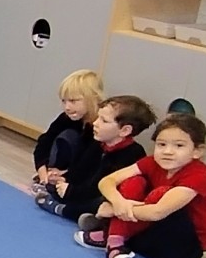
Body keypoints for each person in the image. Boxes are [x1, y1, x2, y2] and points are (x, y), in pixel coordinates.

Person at [77, 113, 206, 258]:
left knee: (161, 193)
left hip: (182, 246)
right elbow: (107, 181)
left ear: (197, 151)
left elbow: (157, 212)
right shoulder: (153, 162)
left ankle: (110, 233)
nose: (168, 151)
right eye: (162, 144)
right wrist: (118, 202)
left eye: (179, 146)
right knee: (134, 182)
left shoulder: (198, 176)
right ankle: (115, 238)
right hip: (151, 229)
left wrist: (113, 210)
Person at [47, 94, 153, 222]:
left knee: (101, 204)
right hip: (83, 192)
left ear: (125, 131)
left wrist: (71, 191)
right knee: (55, 187)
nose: (95, 123)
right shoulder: (98, 142)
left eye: (104, 121)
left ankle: (62, 210)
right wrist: (64, 178)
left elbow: (100, 187)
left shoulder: (132, 154)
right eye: (98, 118)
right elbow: (81, 169)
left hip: (102, 196)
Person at [30, 69, 103, 212]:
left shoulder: (100, 128)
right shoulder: (65, 118)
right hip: (61, 169)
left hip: (82, 174)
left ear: (93, 98)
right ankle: (50, 179)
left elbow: (90, 162)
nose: (67, 107)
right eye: (64, 101)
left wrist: (66, 176)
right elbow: (44, 142)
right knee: (67, 136)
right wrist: (43, 171)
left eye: (73, 101)